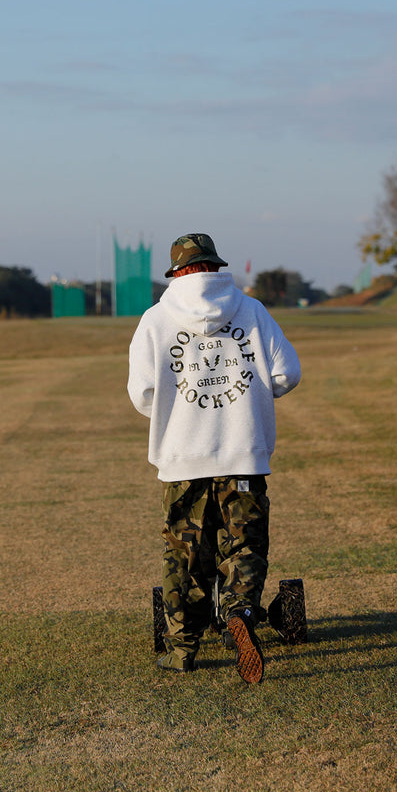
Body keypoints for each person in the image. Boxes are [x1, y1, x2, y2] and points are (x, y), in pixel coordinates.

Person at [127, 233, 302, 683]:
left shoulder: (155, 319)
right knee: (244, 544)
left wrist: (175, 411)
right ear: (214, 267)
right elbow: (287, 373)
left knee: (184, 554)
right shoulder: (253, 311)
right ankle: (241, 611)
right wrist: (252, 400)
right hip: (244, 456)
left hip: (183, 459)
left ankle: (182, 648)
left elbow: (143, 393)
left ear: (178, 272)